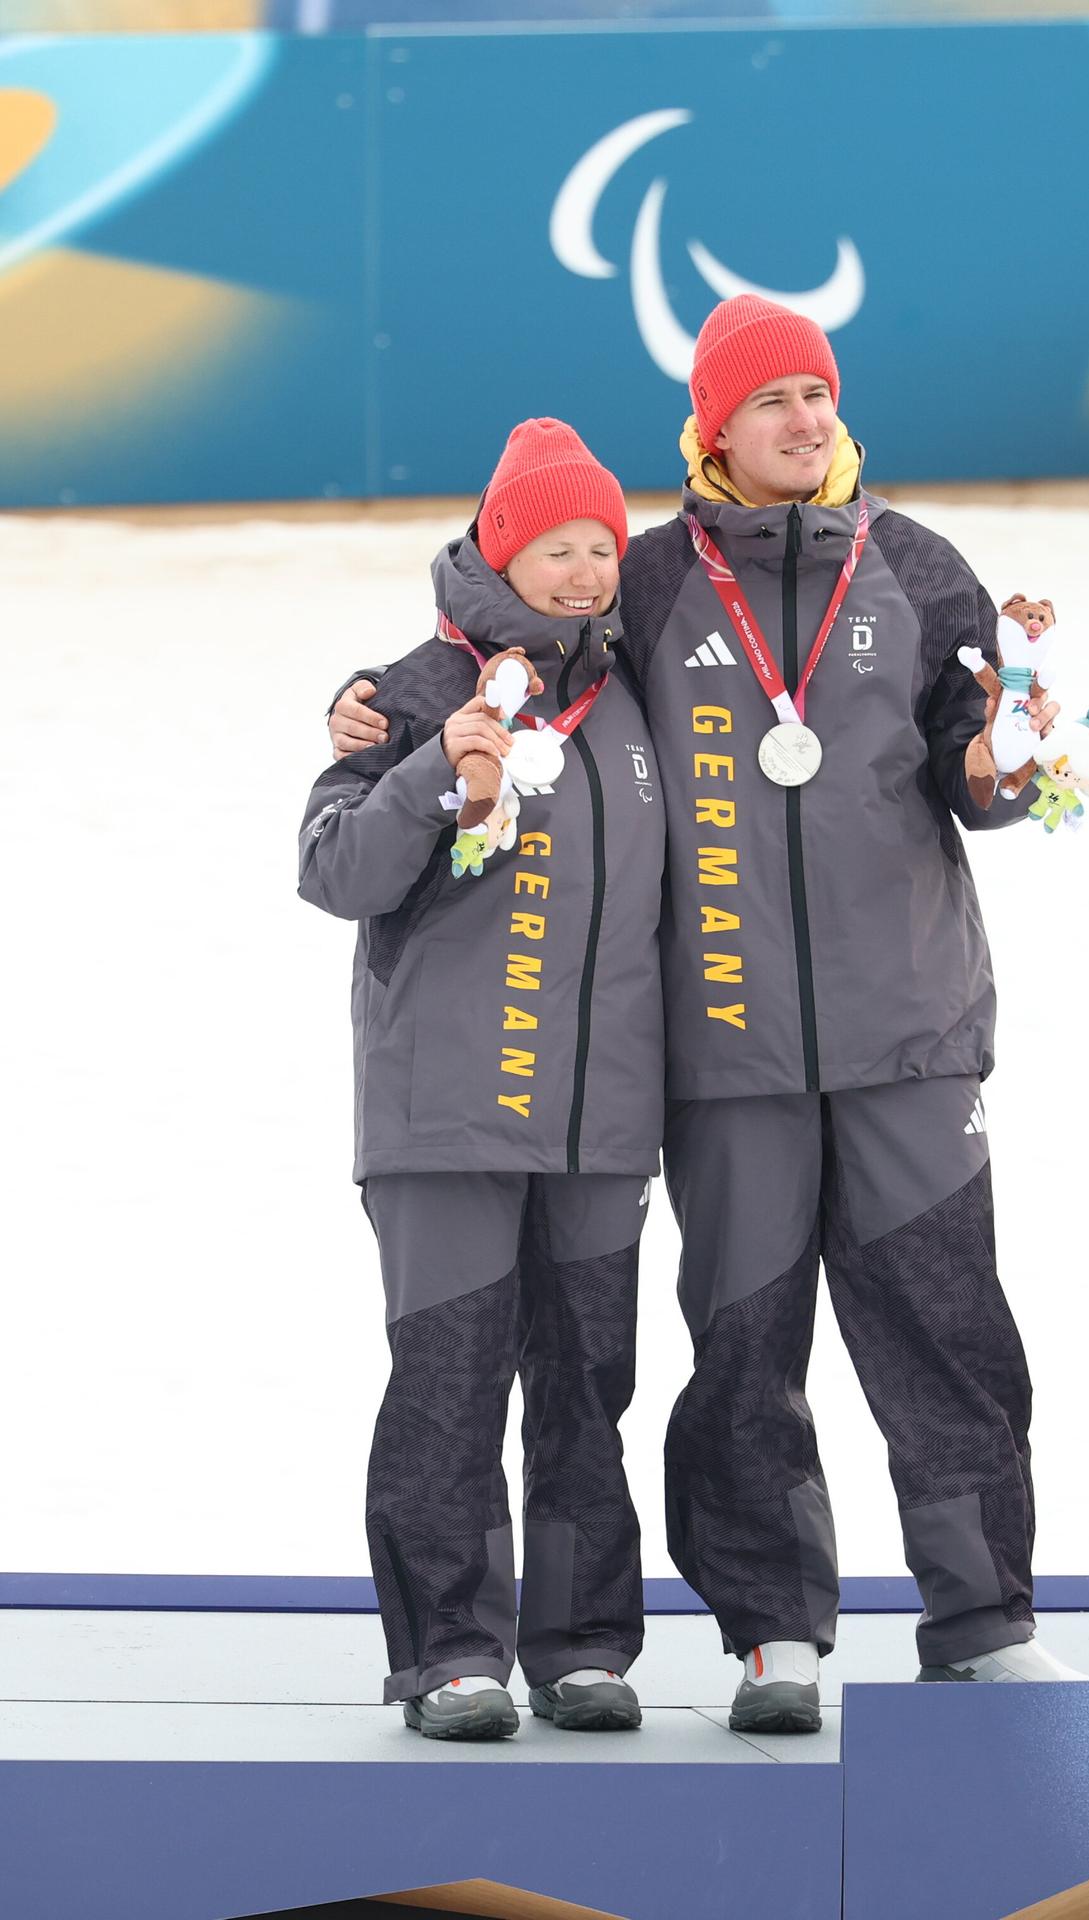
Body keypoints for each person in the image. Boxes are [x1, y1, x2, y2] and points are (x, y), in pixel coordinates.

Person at [327, 295, 1086, 1733]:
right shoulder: (649, 587)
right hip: (719, 1052)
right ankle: (772, 1630)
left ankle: (983, 1613)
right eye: (773, 402)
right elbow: (496, 653)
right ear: (714, 428)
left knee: (948, 1330)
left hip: (910, 1034)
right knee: (743, 1350)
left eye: (820, 396)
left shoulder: (922, 572)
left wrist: (1007, 764)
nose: (806, 422)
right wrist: (372, 708)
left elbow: (977, 777)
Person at [300, 419, 665, 1738]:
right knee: (449, 1387)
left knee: (587, 1391)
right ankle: (451, 1653)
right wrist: (422, 765)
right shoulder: (404, 688)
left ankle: (579, 1647)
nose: (581, 573)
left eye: (601, 549)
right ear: (504, 551)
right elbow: (331, 868)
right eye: (555, 547)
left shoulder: (641, 700)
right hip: (442, 1115)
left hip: (601, 1118)